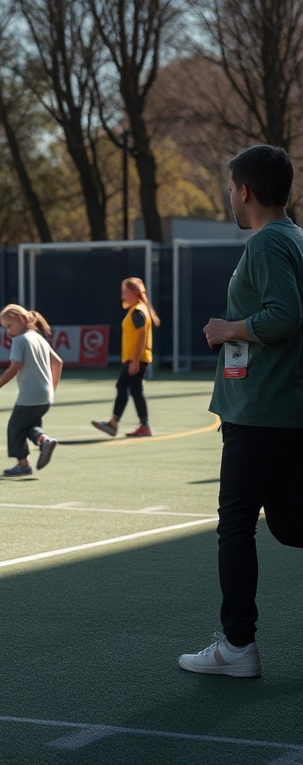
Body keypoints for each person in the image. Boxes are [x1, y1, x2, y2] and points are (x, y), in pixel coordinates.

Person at [177, 145, 303, 679]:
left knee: (236, 528)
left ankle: (237, 646)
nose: (229, 196)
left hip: (260, 412)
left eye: (230, 188)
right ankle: (236, 644)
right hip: (285, 409)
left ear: (244, 191)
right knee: (294, 525)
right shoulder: (294, 238)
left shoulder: (268, 243)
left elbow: (285, 314)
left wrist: (229, 328)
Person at [0, 304, 63, 477]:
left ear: (21, 319)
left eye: (9, 326)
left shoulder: (20, 340)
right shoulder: (38, 337)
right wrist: (52, 388)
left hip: (29, 396)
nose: (8, 332)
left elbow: (15, 366)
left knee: (15, 428)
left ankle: (23, 465)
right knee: (29, 425)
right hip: (45, 396)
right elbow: (58, 362)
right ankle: (44, 440)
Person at [91, 277, 160, 438]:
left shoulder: (138, 311)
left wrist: (135, 359)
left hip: (136, 358)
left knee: (122, 386)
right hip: (137, 357)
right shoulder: (138, 309)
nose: (122, 295)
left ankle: (114, 424)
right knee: (135, 390)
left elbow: (142, 335)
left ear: (134, 293)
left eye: (124, 292)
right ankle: (144, 425)